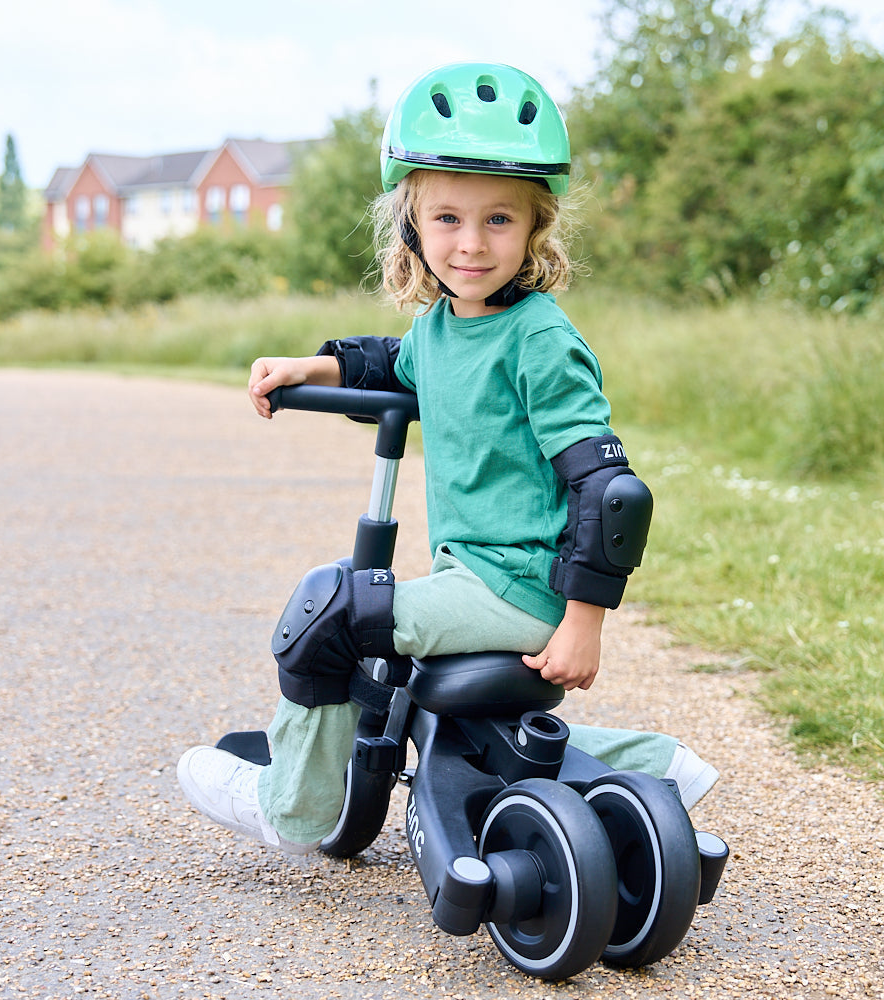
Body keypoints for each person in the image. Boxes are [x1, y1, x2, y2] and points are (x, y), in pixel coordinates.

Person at [178, 62, 717, 853]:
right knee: (427, 677)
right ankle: (654, 765)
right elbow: (389, 363)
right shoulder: (441, 329)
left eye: (499, 220)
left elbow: (612, 494)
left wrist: (582, 623)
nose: (470, 243)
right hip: (475, 578)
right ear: (412, 227)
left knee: (331, 612)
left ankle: (292, 805)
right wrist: (310, 367)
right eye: (447, 219)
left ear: (538, 228)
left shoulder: (538, 336)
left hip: (522, 586)